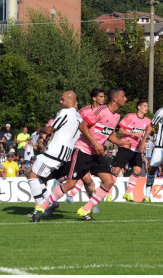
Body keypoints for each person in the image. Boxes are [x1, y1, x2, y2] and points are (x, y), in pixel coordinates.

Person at [34, 88, 130, 221]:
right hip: (83, 151)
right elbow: (83, 126)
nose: (126, 99)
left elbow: (109, 134)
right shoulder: (100, 111)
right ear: (115, 98)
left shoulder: (116, 116)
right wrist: (96, 143)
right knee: (70, 184)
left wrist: (121, 143)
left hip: (97, 154)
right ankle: (42, 207)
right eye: (123, 96)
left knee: (108, 182)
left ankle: (85, 210)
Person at [27, 91, 83, 221]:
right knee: (33, 174)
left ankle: (41, 206)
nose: (60, 102)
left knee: (31, 175)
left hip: (55, 152)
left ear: (70, 101)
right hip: (65, 154)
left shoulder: (65, 112)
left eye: (62, 99)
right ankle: (51, 203)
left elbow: (50, 130)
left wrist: (39, 130)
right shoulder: (79, 117)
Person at [105, 99, 153, 202]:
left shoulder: (148, 121)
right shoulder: (130, 116)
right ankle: (109, 194)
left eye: (147, 106)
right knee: (116, 170)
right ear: (139, 107)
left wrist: (143, 142)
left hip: (136, 149)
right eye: (145, 106)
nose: (147, 108)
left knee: (138, 170)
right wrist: (133, 134)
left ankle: (127, 193)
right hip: (125, 147)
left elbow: (150, 129)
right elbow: (121, 130)